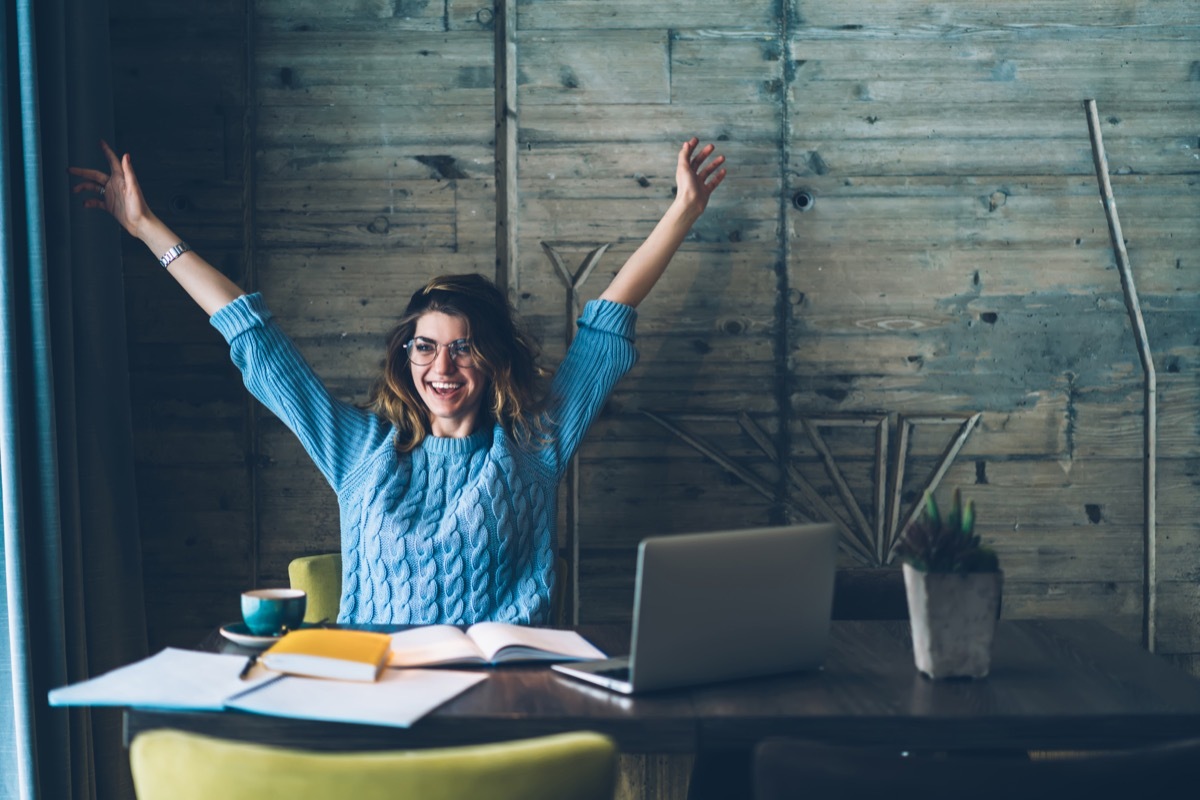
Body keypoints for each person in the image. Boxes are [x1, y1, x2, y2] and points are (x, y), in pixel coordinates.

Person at [70, 137, 726, 626]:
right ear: (405, 354)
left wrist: (683, 212)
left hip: (502, 690)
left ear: (494, 359)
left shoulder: (533, 443)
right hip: (375, 689)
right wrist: (145, 227)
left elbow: (605, 331)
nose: (440, 369)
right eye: (425, 348)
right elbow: (254, 338)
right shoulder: (360, 449)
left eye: (463, 350)